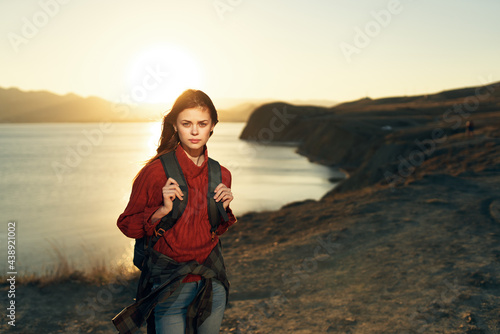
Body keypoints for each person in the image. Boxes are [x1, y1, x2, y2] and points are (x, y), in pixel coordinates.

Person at [115, 89, 237, 334]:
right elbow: (128, 225)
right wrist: (161, 210)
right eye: (186, 123)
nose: (194, 131)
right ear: (175, 125)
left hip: (212, 282)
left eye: (202, 124)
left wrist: (223, 209)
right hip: (168, 286)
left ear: (212, 126)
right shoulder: (155, 172)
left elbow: (213, 230)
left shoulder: (221, 174)